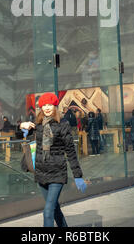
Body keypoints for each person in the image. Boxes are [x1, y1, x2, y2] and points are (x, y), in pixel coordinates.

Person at [20, 92, 86, 227]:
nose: (47, 108)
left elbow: (70, 151)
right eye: (44, 105)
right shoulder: (38, 124)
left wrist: (77, 175)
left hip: (57, 174)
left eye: (49, 104)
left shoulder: (63, 124)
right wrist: (22, 125)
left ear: (55, 106)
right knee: (55, 210)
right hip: (41, 174)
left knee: (47, 212)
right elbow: (20, 134)